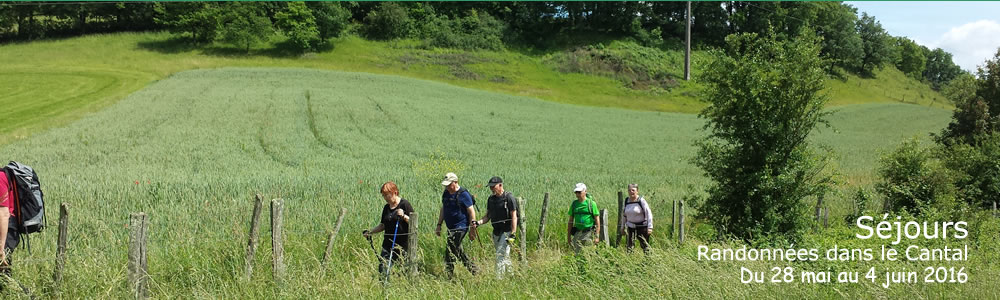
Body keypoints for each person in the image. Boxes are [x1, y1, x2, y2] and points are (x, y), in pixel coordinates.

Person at [362, 181, 414, 278]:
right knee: (383, 268)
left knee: (405, 269)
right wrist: (371, 232)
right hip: (388, 244)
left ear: (395, 192)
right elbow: (383, 225)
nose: (385, 198)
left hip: (403, 244)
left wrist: (404, 216)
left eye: (387, 195)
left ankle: (407, 287)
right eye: (383, 196)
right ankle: (384, 288)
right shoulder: (386, 208)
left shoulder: (404, 204)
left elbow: (414, 223)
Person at [435, 172, 478, 277]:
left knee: (450, 249)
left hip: (461, 226)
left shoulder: (464, 194)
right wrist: (439, 224)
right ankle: (473, 269)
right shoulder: (446, 193)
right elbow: (443, 209)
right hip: (450, 227)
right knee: (456, 248)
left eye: (449, 185)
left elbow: (471, 212)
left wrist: (472, 229)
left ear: (456, 182)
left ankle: (449, 274)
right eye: (446, 185)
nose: (447, 187)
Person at [473, 176, 517, 277]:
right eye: (490, 187)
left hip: (507, 230)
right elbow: (488, 216)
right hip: (496, 231)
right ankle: (511, 275)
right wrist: (478, 222)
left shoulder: (509, 198)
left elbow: (514, 216)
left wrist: (513, 233)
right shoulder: (491, 199)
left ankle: (499, 280)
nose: (491, 189)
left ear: (500, 185)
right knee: (504, 255)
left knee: (499, 255)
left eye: (493, 186)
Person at [567, 183, 599, 253]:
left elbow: (597, 220)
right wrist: (569, 237)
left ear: (585, 191)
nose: (577, 195)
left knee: (589, 254)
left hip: (589, 233)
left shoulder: (591, 204)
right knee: (577, 255)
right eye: (576, 192)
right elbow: (570, 221)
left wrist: (597, 236)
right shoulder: (574, 204)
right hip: (577, 233)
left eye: (579, 192)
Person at [622, 183, 652, 253]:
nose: (631, 192)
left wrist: (650, 227)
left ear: (637, 191)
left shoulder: (641, 201)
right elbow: (624, 215)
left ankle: (648, 259)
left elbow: (648, 213)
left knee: (644, 245)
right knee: (630, 245)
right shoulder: (626, 201)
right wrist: (622, 227)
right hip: (630, 227)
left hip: (642, 227)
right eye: (629, 190)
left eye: (633, 190)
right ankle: (630, 259)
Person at [0, 168, 18, 278]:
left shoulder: (0, 179)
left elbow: (4, 214)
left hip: (7, 229)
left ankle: (19, 293)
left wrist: (1, 248)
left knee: (3, 276)